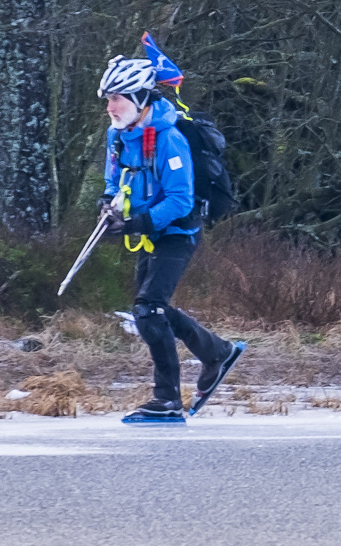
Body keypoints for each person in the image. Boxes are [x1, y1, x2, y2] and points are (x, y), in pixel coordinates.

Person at [104, 36, 244, 425]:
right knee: (151, 309)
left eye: (117, 98)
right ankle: (217, 352)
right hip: (148, 231)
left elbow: (180, 201)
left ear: (140, 98)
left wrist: (136, 223)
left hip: (179, 232)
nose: (110, 107)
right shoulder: (117, 135)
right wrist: (108, 205)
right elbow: (113, 180)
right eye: (108, 99)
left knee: (148, 309)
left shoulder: (169, 138)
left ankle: (166, 399)